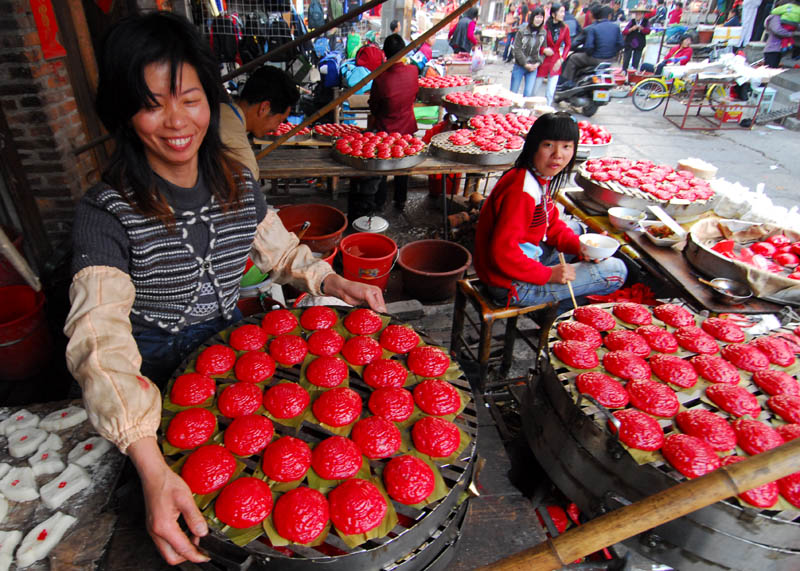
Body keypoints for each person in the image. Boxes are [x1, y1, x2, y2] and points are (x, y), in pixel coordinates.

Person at [64, 12, 386, 566]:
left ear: (212, 101)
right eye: (151, 103)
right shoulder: (107, 212)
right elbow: (99, 340)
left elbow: (279, 250)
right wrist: (149, 464)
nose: (175, 121)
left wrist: (330, 279)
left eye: (189, 98)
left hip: (236, 347)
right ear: (123, 113)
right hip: (156, 376)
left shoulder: (234, 178)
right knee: (194, 514)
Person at [473, 112, 627, 311]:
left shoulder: (534, 176)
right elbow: (502, 252)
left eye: (566, 146)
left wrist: (584, 248)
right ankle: (552, 315)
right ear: (533, 146)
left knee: (577, 231)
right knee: (617, 271)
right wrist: (549, 275)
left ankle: (554, 301)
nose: (558, 155)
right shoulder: (522, 191)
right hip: (508, 284)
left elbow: (551, 224)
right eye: (548, 145)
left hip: (508, 266)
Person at [349, 34, 419, 218]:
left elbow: (374, 105)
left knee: (382, 168)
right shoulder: (413, 71)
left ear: (384, 53)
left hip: (386, 130)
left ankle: (379, 203)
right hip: (407, 127)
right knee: (403, 165)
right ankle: (400, 199)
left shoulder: (381, 78)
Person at [219, 65, 299, 180]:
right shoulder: (240, 155)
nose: (276, 129)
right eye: (279, 120)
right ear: (264, 108)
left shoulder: (218, 110)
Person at [559, 6, 623, 87]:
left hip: (596, 58)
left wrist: (593, 52)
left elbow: (588, 48)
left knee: (573, 58)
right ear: (609, 16)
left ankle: (567, 83)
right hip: (611, 59)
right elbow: (621, 44)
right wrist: (612, 53)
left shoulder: (593, 28)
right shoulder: (616, 27)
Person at [537, 3, 571, 105]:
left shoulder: (565, 28)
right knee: (535, 89)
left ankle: (546, 112)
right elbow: (537, 43)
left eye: (563, 12)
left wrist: (561, 59)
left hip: (556, 60)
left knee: (550, 92)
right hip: (543, 60)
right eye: (561, 12)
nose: (563, 14)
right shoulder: (544, 27)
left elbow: (568, 45)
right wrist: (543, 50)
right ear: (553, 14)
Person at [511, 8, 547, 95]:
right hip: (520, 65)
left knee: (528, 93)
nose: (539, 19)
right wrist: (525, 64)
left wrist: (538, 63)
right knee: (513, 93)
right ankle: (511, 108)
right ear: (532, 17)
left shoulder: (543, 33)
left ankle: (524, 109)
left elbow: (543, 51)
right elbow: (517, 49)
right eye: (537, 17)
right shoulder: (522, 31)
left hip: (533, 66)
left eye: (541, 17)